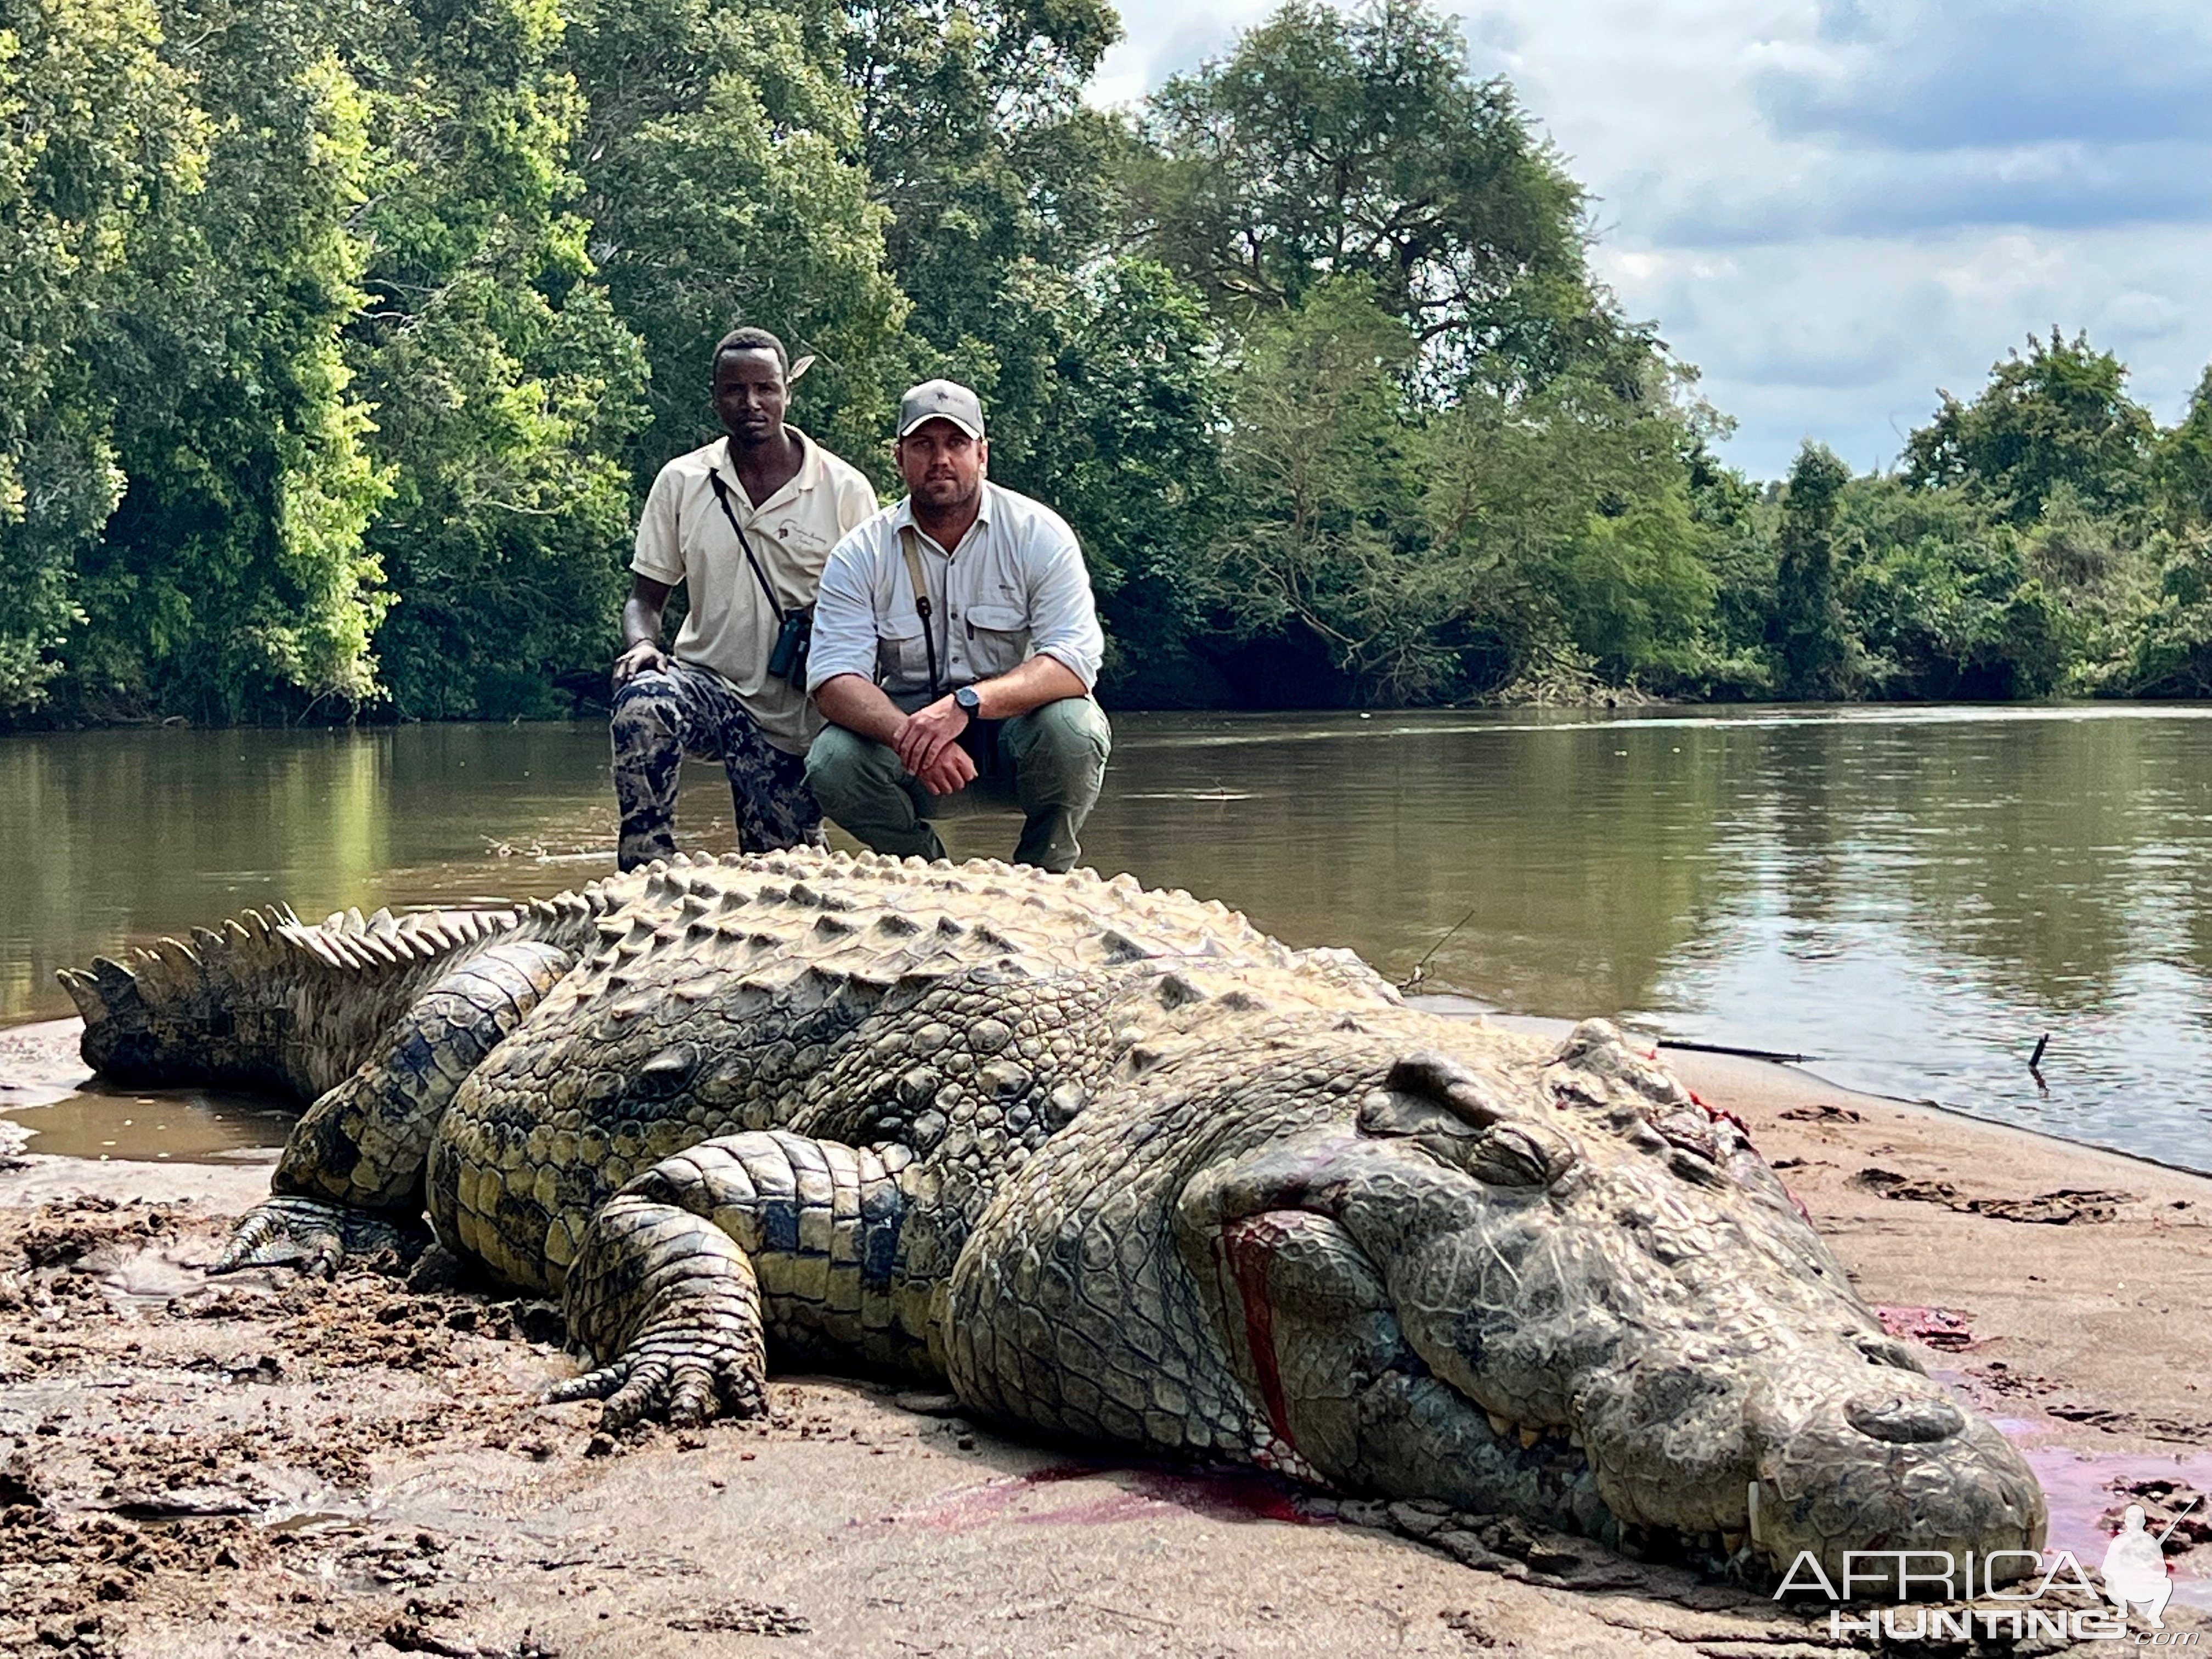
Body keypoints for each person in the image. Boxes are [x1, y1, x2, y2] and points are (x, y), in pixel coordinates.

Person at [804, 379, 1111, 872]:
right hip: (911, 749)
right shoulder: (860, 553)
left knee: (1073, 728)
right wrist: (914, 736)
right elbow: (833, 682)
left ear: (983, 454)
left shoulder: (1039, 534)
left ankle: (1047, 874)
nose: (940, 459)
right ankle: (924, 872)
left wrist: (967, 704)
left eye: (957, 443)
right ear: (899, 458)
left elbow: (1073, 663)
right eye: (923, 445)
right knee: (832, 761)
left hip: (1016, 738)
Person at [609, 328, 878, 871]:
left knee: (790, 883)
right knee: (643, 699)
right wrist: (642, 644)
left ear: (787, 394)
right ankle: (643, 872)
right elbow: (645, 598)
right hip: (712, 691)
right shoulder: (682, 481)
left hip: (799, 717)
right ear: (715, 397)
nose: (751, 403)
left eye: (766, 389)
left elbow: (876, 617)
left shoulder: (846, 491)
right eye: (735, 390)